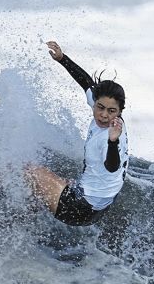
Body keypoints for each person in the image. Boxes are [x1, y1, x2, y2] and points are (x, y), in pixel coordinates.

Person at [25, 41, 129, 226]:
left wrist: (113, 142)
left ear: (120, 111)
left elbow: (112, 166)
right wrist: (62, 59)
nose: (104, 115)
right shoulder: (110, 113)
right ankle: (24, 216)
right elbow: (87, 83)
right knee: (41, 188)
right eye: (100, 107)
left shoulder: (110, 137)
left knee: (28, 171)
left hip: (80, 208)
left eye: (111, 111)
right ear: (95, 102)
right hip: (97, 204)